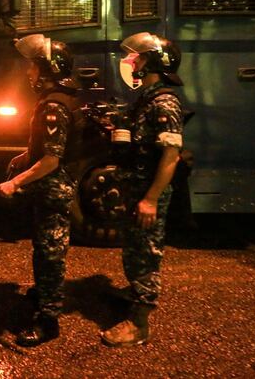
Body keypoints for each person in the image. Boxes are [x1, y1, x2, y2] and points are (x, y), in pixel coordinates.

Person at [0, 34, 81, 347]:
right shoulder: (60, 97)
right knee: (43, 249)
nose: (28, 73)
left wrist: (14, 182)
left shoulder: (55, 105)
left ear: (47, 69)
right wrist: (23, 157)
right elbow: (45, 150)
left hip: (54, 190)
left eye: (32, 67)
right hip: (50, 190)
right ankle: (43, 293)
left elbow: (51, 160)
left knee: (51, 253)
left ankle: (48, 319)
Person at [101, 32, 185, 348]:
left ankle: (139, 324)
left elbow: (170, 156)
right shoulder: (147, 97)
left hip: (148, 193)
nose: (132, 61)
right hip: (137, 190)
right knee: (134, 249)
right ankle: (133, 292)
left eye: (138, 57)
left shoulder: (164, 102)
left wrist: (151, 199)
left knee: (146, 256)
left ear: (153, 62)